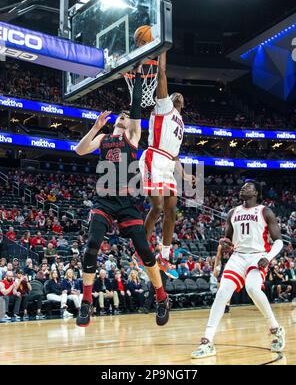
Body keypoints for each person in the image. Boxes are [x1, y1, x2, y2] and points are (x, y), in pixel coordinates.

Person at [74, 65, 169, 327]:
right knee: (92, 245)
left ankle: (161, 298)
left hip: (126, 202)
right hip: (103, 200)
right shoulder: (103, 138)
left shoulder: (133, 138)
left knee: (144, 251)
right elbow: (80, 150)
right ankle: (86, 302)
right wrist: (95, 127)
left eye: (127, 116)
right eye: (122, 116)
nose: (124, 117)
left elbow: (136, 106)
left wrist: (138, 77)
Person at [191, 181, 285, 359]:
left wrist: (269, 257)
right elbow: (228, 239)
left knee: (252, 288)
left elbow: (279, 240)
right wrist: (225, 243)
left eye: (248, 186)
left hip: (258, 255)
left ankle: (275, 329)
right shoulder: (232, 212)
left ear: (256, 192)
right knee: (222, 293)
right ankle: (207, 341)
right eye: (242, 186)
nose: (243, 188)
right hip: (238, 256)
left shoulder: (265, 211)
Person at [139, 52, 195, 271]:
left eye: (181, 96)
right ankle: (141, 249)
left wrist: (183, 174)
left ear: (184, 104)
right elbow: (161, 74)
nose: (177, 95)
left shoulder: (181, 123)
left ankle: (164, 255)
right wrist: (162, 49)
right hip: (154, 157)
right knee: (158, 206)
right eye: (174, 94)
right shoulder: (164, 106)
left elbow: (175, 155)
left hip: (169, 164)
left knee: (171, 210)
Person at [213, 244, 232, 313]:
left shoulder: (234, 245)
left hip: (231, 268)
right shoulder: (221, 246)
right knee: (219, 287)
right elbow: (217, 257)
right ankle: (220, 304)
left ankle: (227, 305)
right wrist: (215, 268)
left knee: (229, 288)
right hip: (223, 267)